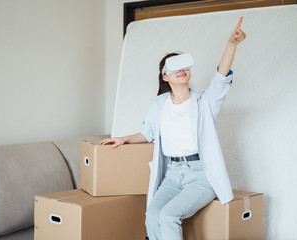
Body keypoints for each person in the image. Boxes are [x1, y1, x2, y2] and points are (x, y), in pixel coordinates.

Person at [100, 17, 246, 240]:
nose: (181, 70)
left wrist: (231, 45)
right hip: (171, 175)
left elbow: (220, 77)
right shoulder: (158, 105)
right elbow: (147, 133)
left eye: (184, 65)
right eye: (174, 67)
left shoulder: (204, 103)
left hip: (201, 175)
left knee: (168, 215)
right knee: (153, 215)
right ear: (165, 76)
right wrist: (124, 139)